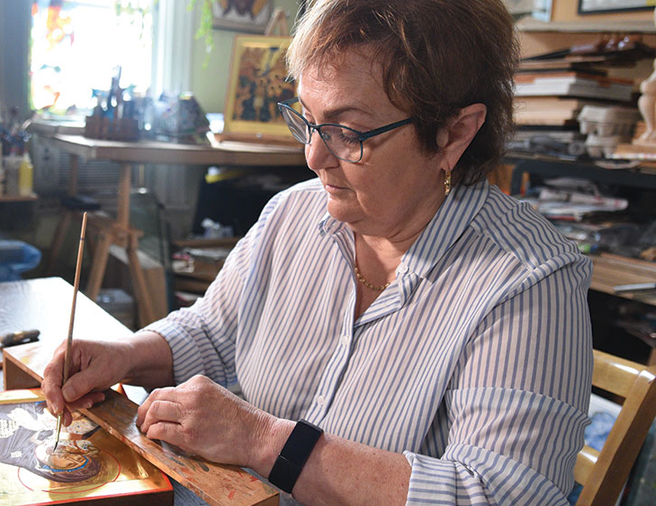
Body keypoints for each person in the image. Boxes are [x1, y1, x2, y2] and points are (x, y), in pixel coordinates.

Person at [42, 1, 592, 504]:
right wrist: (127, 355)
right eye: (306, 118)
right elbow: (214, 331)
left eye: (349, 132)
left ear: (454, 134)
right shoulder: (293, 216)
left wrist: (261, 440)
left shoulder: (529, 281)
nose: (312, 156)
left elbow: (496, 495)